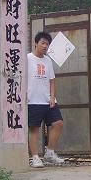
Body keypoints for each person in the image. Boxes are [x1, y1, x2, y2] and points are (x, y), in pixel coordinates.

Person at [27, 31, 65, 167]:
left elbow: (52, 80)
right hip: (33, 100)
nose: (45, 46)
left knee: (58, 123)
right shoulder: (27, 58)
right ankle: (35, 157)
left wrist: (52, 97)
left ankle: (49, 153)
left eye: (47, 44)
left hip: (48, 99)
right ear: (36, 43)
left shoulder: (48, 60)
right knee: (34, 129)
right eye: (42, 43)